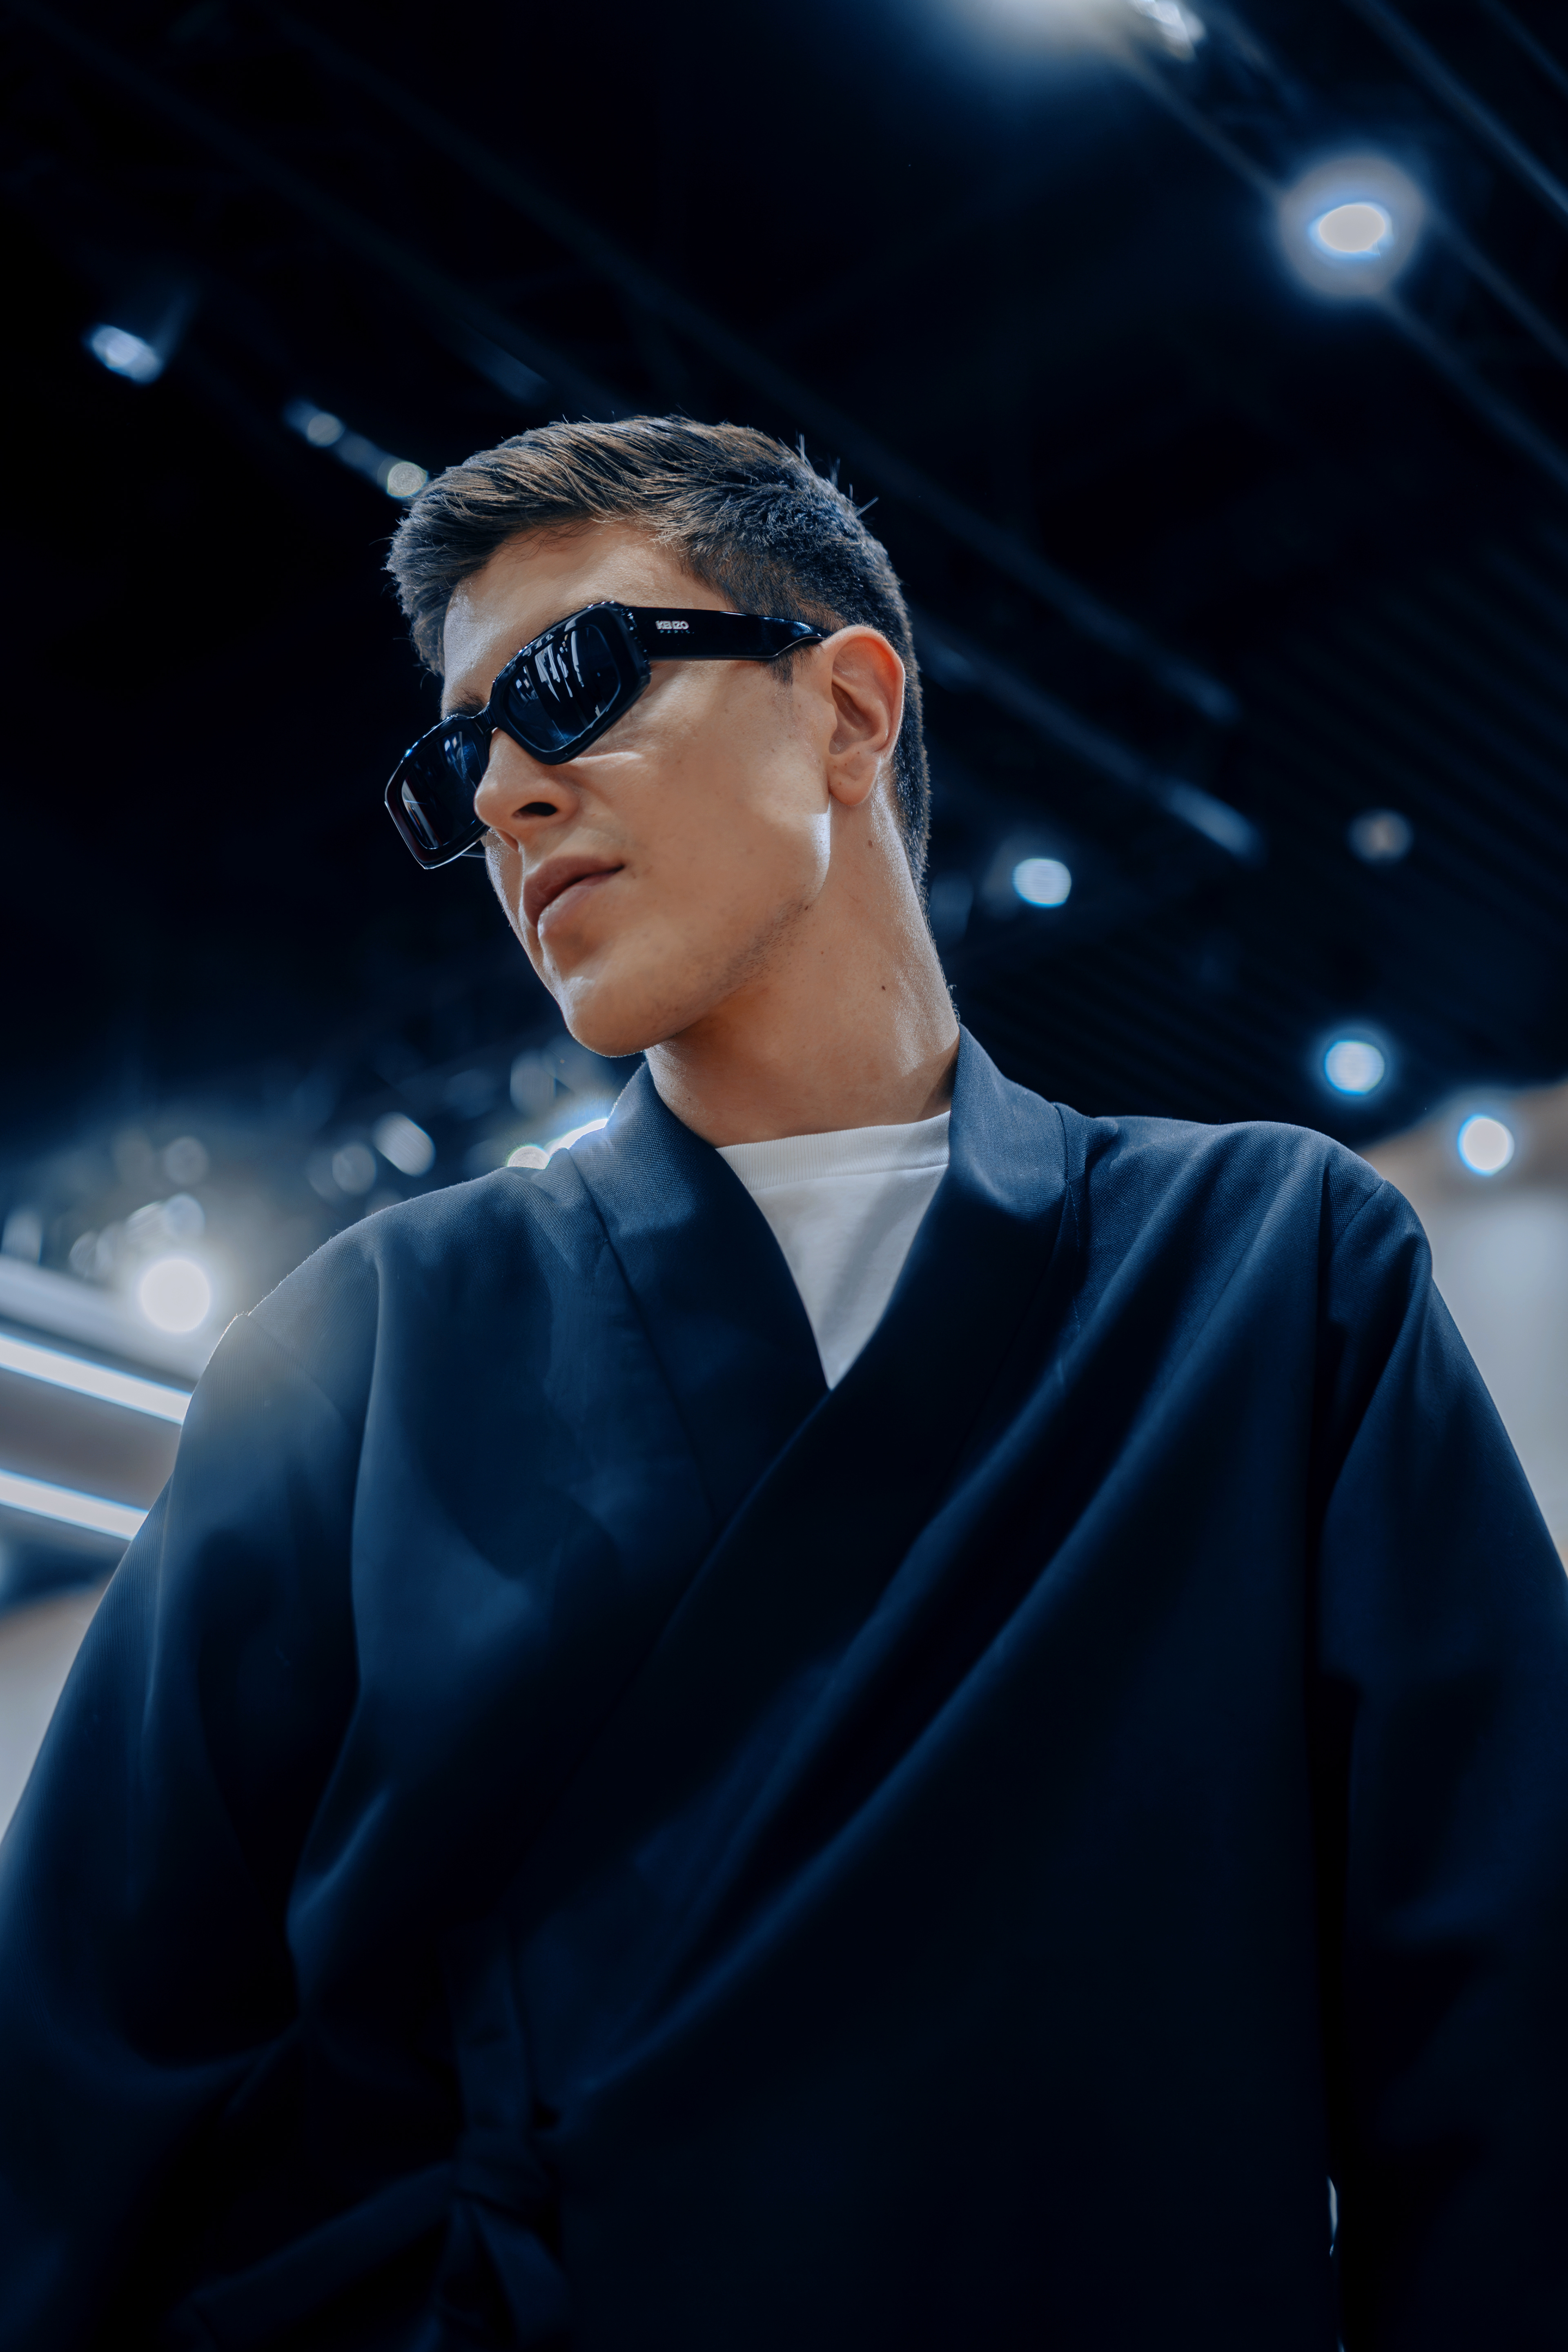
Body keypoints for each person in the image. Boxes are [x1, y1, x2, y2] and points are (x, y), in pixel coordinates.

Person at [2, 417, 1566, 2352]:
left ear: (847, 708)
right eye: (456, 757)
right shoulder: (364, 1351)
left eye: (571, 683)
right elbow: (84, 2085)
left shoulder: (1271, 1273)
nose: (505, 792)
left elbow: (1502, 2034)